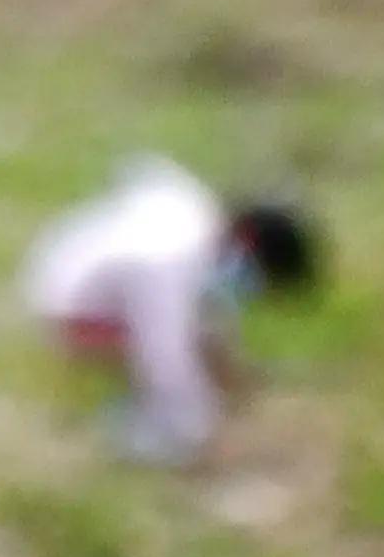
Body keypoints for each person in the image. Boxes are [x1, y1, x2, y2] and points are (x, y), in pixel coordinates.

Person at [20, 161, 323, 467]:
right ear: (249, 243)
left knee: (204, 347)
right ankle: (124, 424)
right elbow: (167, 358)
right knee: (183, 425)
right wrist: (202, 427)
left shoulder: (199, 218)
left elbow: (143, 173)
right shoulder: (171, 262)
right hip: (71, 307)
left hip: (77, 262)